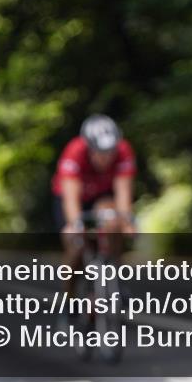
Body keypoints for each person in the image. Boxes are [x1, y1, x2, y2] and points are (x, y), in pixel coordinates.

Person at [51, 114, 136, 281]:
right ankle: (69, 290)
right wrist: (74, 224)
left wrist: (126, 222)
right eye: (100, 153)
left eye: (110, 153)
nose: (106, 159)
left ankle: (116, 271)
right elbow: (71, 197)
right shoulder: (74, 151)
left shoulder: (124, 150)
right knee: (75, 245)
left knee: (114, 223)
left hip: (101, 196)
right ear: (89, 148)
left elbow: (123, 192)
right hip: (73, 197)